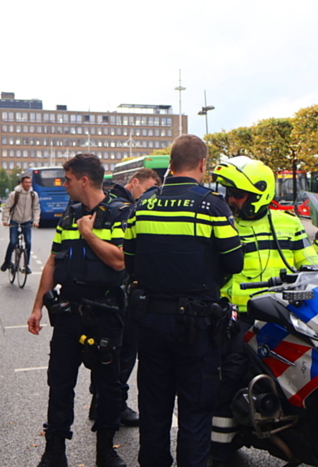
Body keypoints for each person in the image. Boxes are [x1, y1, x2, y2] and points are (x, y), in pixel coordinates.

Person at [123, 134, 243, 467]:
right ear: (203, 164)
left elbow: (129, 260)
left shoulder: (142, 205)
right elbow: (235, 262)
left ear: (170, 164)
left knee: (154, 407)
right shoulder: (212, 205)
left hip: (150, 321)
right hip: (197, 324)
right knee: (195, 411)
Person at [210, 155, 318, 467]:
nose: (231, 199)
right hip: (240, 318)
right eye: (229, 192)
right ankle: (218, 451)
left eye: (237, 194)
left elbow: (313, 263)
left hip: (285, 314)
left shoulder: (287, 223)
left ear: (258, 195)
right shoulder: (224, 225)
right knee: (229, 378)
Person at [27, 154, 132, 467]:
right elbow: (53, 261)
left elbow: (119, 260)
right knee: (59, 383)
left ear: (84, 180)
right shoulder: (68, 214)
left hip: (106, 313)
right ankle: (54, 451)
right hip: (69, 312)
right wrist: (37, 307)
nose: (64, 184)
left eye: (68, 178)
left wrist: (88, 233)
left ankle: (106, 452)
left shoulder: (120, 213)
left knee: (109, 387)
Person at [88, 168, 161, 427]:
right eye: (148, 188)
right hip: (122, 291)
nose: (150, 194)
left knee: (110, 350)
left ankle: (101, 401)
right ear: (134, 183)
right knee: (125, 350)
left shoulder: (108, 202)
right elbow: (124, 256)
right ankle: (115, 404)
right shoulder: (124, 209)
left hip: (106, 291)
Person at [1, 176, 40, 274]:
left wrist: (36, 221)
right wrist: (5, 220)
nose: (28, 184)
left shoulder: (33, 195)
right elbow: (7, 207)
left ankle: (26, 265)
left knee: (28, 242)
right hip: (15, 221)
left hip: (27, 221)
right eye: (26, 182)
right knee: (13, 242)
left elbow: (36, 208)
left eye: (29, 182)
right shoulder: (15, 194)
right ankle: (7, 261)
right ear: (22, 183)